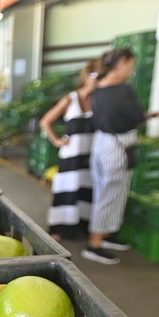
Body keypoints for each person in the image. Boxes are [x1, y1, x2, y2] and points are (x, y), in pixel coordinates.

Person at [82, 48, 159, 265]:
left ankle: (105, 235)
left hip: (102, 143)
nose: (132, 69)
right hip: (117, 146)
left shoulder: (97, 89)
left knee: (105, 191)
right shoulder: (122, 90)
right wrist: (151, 115)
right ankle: (95, 243)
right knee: (111, 192)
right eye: (131, 64)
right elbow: (136, 116)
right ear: (122, 62)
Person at [39, 61, 99, 241]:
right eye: (94, 76)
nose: (97, 81)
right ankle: (58, 228)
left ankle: (82, 225)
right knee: (67, 190)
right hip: (71, 154)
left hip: (90, 154)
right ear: (86, 76)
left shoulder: (97, 100)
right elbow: (45, 121)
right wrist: (57, 140)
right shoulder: (70, 99)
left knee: (86, 190)